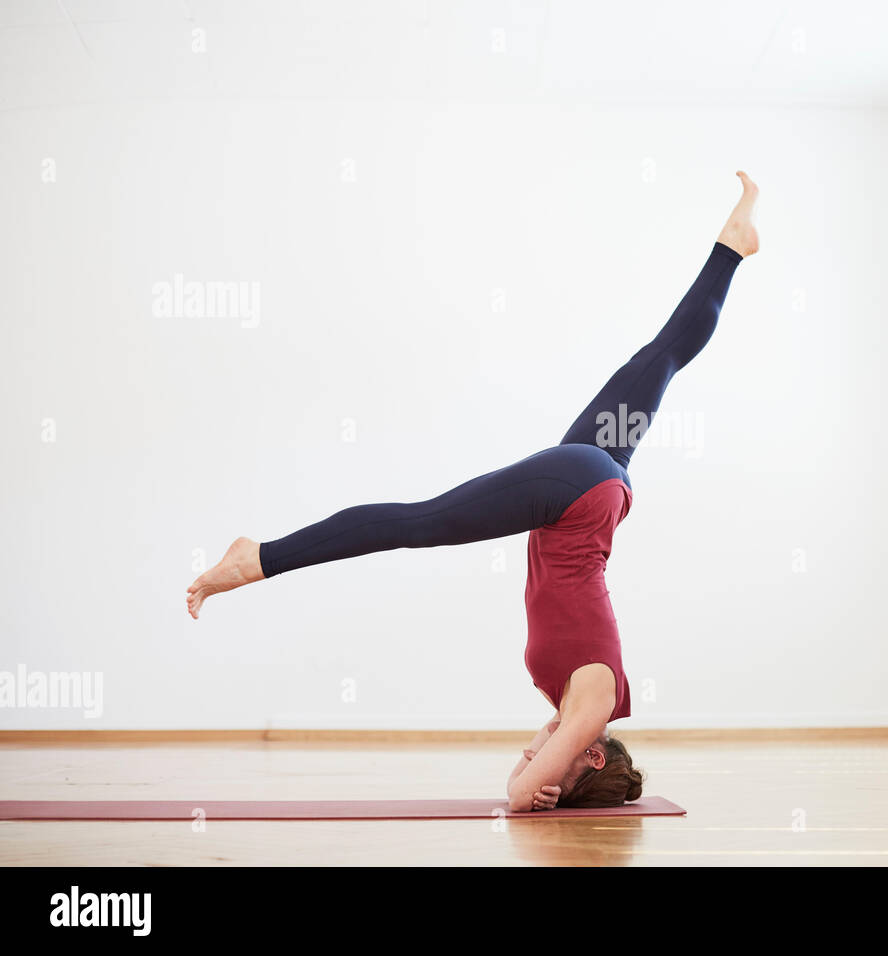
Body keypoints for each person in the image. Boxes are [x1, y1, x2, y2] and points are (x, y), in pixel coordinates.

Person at [186, 172, 760, 810]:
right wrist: (532, 791)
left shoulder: (576, 707)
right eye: (564, 770)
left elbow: (534, 765)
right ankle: (258, 558)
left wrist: (544, 772)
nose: (534, 757)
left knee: (661, 359)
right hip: (578, 495)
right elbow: (516, 796)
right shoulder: (593, 706)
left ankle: (730, 250)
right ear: (591, 754)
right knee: (418, 523)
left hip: (595, 484)